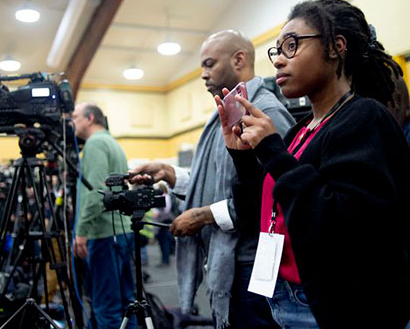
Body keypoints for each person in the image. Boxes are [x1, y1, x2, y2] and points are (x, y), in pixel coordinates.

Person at [216, 0, 410, 329]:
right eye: (276, 50)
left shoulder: (364, 118)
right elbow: (258, 220)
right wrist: (244, 158)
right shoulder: (297, 130)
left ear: (336, 47)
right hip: (284, 296)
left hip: (340, 305)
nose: (278, 60)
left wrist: (274, 153)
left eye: (291, 46)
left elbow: (344, 226)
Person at [130, 30, 295, 328]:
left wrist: (205, 215)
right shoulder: (227, 112)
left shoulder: (265, 111)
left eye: (209, 64)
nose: (203, 74)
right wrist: (170, 174)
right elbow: (223, 181)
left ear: (239, 59)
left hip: (254, 265)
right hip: (234, 263)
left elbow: (274, 196)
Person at [72, 103, 136, 329]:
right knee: (128, 303)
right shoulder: (112, 142)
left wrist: (81, 232)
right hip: (121, 232)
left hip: (104, 235)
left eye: (76, 117)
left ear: (89, 118)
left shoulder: (95, 143)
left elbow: (96, 193)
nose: (72, 122)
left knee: (105, 304)